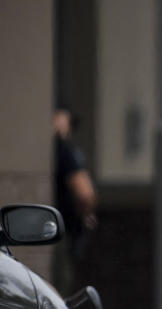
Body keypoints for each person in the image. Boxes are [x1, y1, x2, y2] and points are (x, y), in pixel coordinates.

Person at [51, 105, 97, 294]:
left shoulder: (56, 149)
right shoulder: (62, 148)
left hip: (59, 228)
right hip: (60, 231)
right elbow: (84, 192)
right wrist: (86, 213)